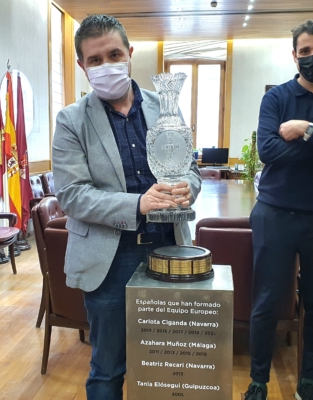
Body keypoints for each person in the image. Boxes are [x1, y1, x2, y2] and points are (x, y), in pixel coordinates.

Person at [52, 14, 201, 400]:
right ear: (82, 66)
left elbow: (192, 169)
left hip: (169, 249)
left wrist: (188, 188)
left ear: (130, 53)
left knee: (170, 364)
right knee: (107, 370)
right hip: (109, 259)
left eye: (114, 54)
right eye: (95, 59)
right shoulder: (71, 120)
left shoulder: (165, 107)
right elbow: (71, 195)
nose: (106, 65)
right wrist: (138, 204)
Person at [245, 19, 313, 400]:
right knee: (266, 302)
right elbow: (268, 152)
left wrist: (306, 130)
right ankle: (258, 381)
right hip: (276, 215)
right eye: (304, 51)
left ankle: (308, 381)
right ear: (294, 55)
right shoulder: (276, 98)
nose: (312, 57)